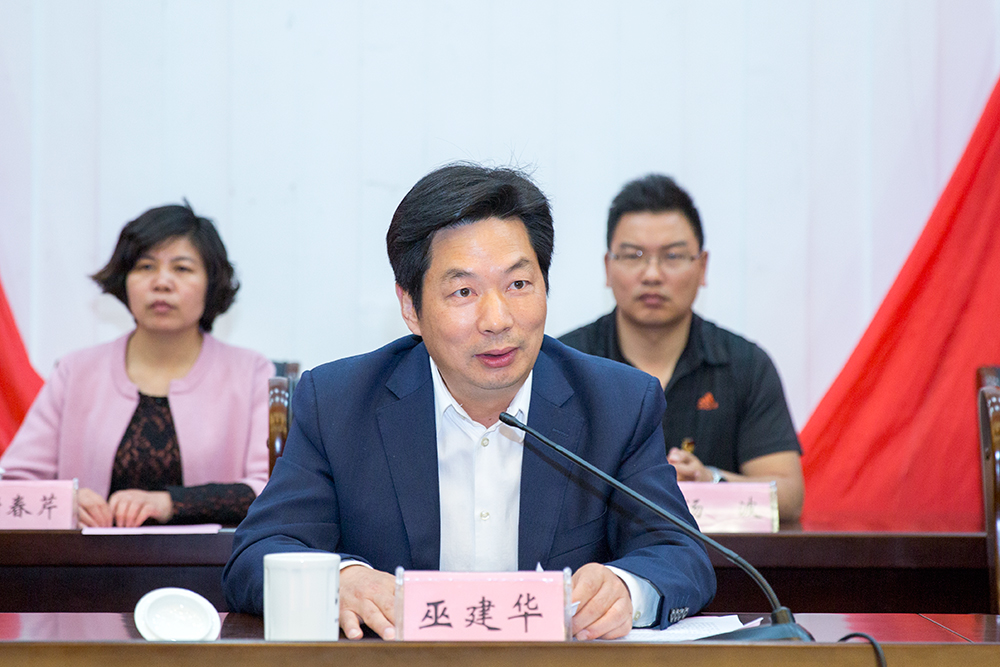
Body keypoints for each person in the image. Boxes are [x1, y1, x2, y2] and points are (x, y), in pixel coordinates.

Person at [223, 164, 716, 641]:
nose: (497, 319)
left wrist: (626, 589)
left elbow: (680, 554)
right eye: (463, 291)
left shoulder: (617, 404)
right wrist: (342, 582)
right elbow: (256, 554)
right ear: (410, 307)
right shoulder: (338, 403)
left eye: (518, 284)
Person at [0, 203, 273, 527]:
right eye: (145, 266)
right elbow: (12, 486)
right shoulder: (76, 371)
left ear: (211, 283)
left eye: (182, 268)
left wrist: (171, 503)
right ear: (124, 280)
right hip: (87, 558)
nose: (162, 282)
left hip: (212, 557)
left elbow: (270, 489)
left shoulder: (252, 373)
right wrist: (64, 502)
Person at [559, 174, 804, 521]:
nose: (652, 274)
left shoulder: (745, 365)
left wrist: (710, 482)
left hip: (709, 553)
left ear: (702, 267)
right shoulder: (567, 363)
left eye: (672, 256)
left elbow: (789, 497)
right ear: (608, 267)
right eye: (633, 255)